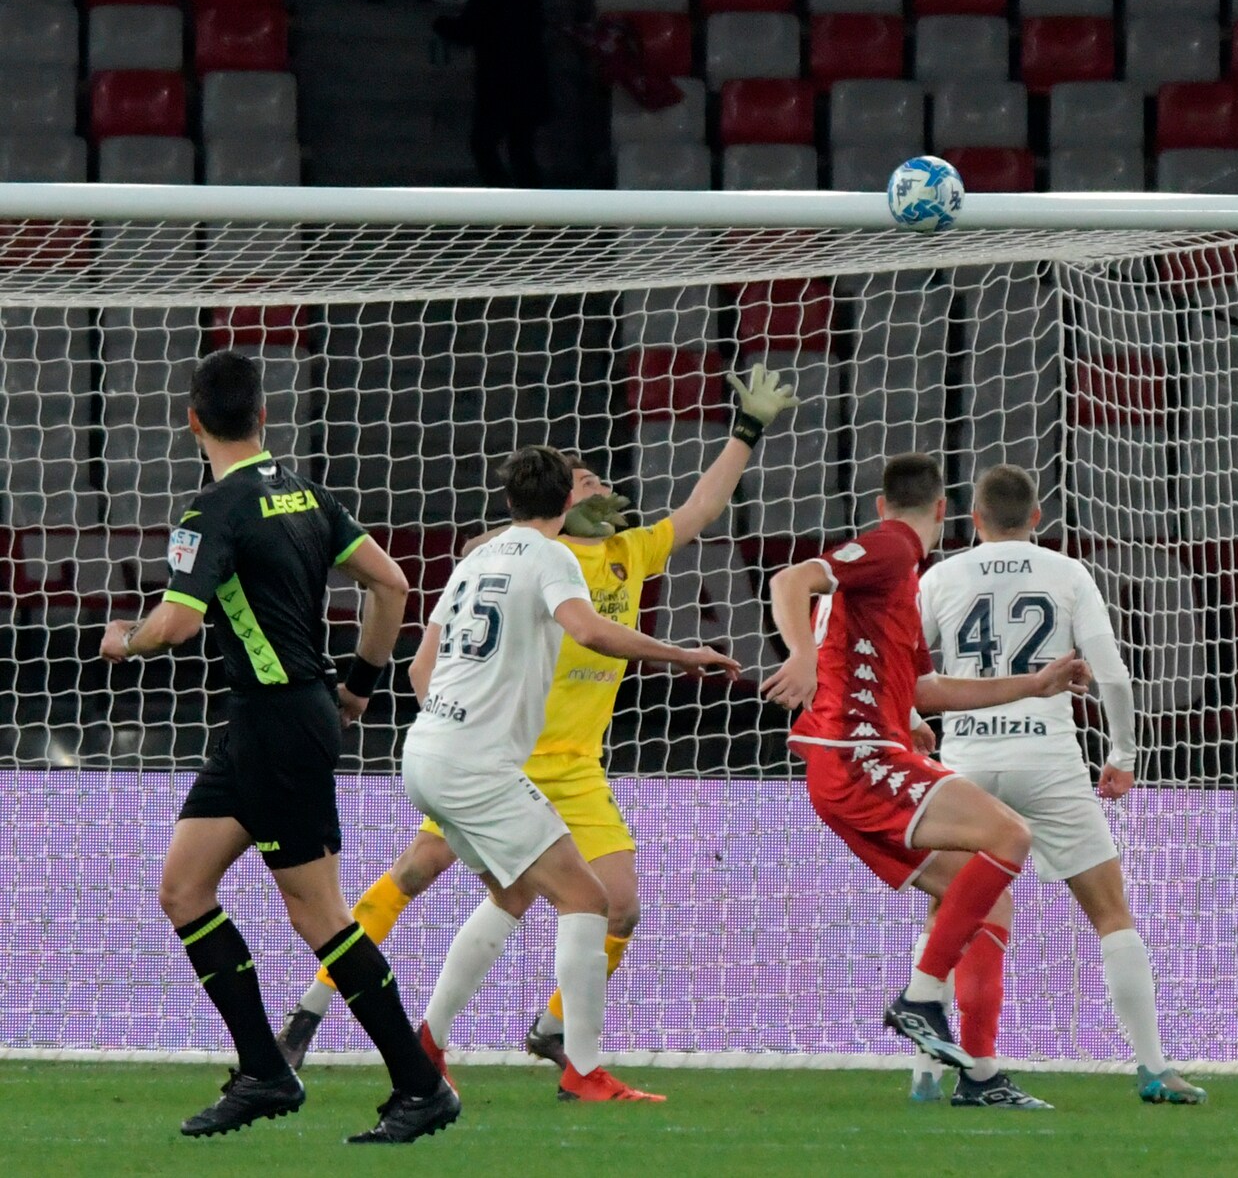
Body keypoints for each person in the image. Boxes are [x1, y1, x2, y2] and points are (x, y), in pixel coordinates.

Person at [277, 366, 799, 1070]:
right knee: (420, 871)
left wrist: (746, 431)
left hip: (575, 766)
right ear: (559, 502)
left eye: (600, 481)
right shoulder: (521, 557)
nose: (600, 489)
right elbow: (444, 633)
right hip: (502, 759)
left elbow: (704, 505)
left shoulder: (627, 553)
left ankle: (553, 1028)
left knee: (620, 906)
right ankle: (311, 1011)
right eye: (581, 484)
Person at [101, 349, 457, 1143]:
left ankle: (420, 1085)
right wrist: (361, 685)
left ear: (192, 421)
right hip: (269, 721)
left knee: (317, 913)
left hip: (277, 726)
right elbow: (392, 584)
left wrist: (125, 639)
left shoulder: (212, 512)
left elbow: (178, 623)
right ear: (263, 417)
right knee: (183, 888)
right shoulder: (308, 494)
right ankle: (264, 1070)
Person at [400, 445, 740, 1103]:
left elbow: (420, 668)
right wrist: (681, 654)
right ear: (564, 503)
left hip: (428, 751)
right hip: (480, 767)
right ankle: (583, 1068)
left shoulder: (477, 558)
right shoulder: (552, 556)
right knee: (588, 900)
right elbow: (590, 631)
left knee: (512, 896)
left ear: (509, 501)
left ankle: (429, 1045)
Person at [760, 454, 1091, 1102]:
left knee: (989, 896)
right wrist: (800, 656)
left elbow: (927, 690)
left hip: (858, 758)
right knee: (1011, 836)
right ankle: (919, 998)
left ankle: (980, 1076)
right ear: (942, 510)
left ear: (884, 502)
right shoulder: (891, 547)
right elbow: (791, 579)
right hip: (855, 755)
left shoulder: (904, 585)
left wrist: (1034, 683)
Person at [909, 464, 1205, 1107]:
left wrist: (909, 723)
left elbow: (897, 664)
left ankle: (927, 1074)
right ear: (1037, 517)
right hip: (1048, 762)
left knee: (952, 911)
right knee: (1110, 913)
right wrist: (1122, 754)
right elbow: (1113, 674)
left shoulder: (940, 577)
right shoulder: (1067, 573)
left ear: (974, 519)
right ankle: (1154, 1067)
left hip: (966, 764)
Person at [435, 0, 550, 188]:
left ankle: (504, 199)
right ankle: (533, 204)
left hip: (499, 80)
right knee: (521, 150)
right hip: (529, 80)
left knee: (484, 145)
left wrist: (441, 24)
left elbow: (470, 28)